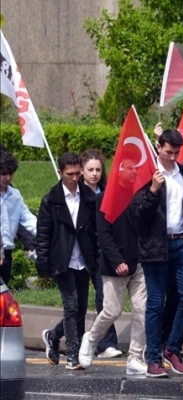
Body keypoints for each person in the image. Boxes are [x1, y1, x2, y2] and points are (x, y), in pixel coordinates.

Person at [134, 129, 183, 378]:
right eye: (168, 152)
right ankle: (153, 358)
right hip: (155, 246)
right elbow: (139, 215)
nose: (172, 157)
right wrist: (152, 190)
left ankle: (171, 348)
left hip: (182, 242)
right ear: (159, 147)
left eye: (176, 153)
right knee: (156, 304)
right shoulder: (147, 172)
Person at [78, 158, 147, 375]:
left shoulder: (139, 197)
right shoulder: (104, 199)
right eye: (129, 169)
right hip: (113, 265)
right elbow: (103, 235)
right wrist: (117, 261)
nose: (134, 173)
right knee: (112, 311)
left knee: (142, 310)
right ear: (119, 172)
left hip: (139, 264)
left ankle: (135, 356)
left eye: (136, 170)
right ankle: (90, 338)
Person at [37, 152, 97, 370]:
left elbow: (95, 231)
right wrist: (43, 265)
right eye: (69, 174)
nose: (74, 178)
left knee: (80, 309)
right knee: (71, 306)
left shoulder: (89, 198)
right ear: (60, 173)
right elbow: (43, 235)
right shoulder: (50, 201)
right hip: (62, 260)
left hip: (83, 260)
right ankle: (73, 354)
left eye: (77, 173)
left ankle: (53, 336)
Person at [80, 149, 122, 360]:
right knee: (79, 303)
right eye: (90, 169)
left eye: (98, 169)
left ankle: (106, 344)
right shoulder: (78, 194)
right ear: (82, 171)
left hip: (103, 250)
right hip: (84, 252)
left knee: (104, 296)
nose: (94, 173)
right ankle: (102, 342)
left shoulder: (105, 191)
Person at [0, 149, 37, 286]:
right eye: (3, 174)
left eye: (10, 173)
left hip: (7, 255)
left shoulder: (15, 196)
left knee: (3, 298)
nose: (8, 178)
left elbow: (28, 220)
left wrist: (46, 233)